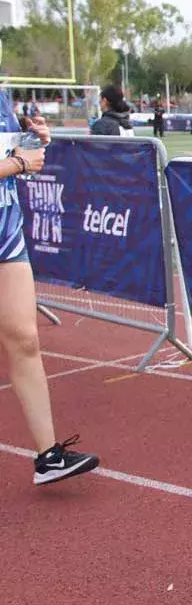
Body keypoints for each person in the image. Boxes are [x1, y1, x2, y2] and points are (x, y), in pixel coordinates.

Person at [0, 88, 100, 484]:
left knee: (25, 338)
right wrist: (16, 163)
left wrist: (29, 136)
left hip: (6, 230)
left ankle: (49, 456)